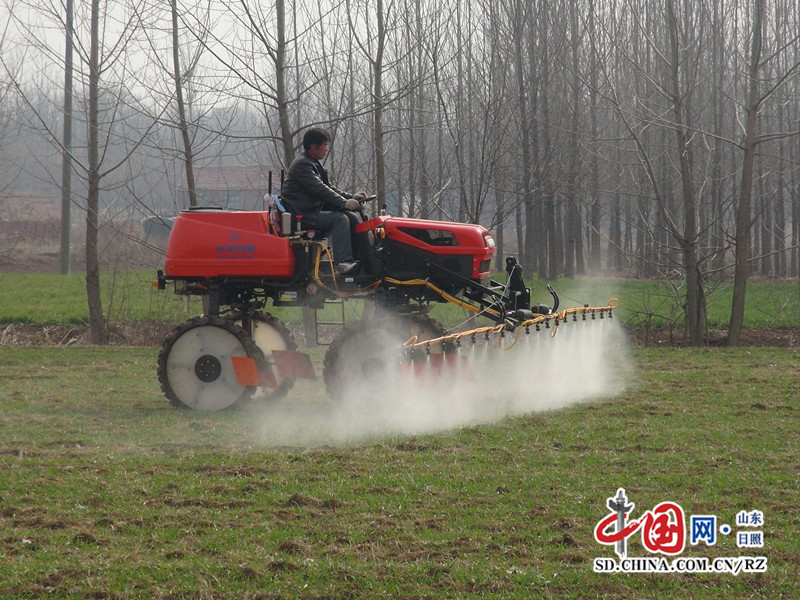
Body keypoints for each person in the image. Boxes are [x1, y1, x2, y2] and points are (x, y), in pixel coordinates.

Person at [281, 127, 366, 275]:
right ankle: (343, 263)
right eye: (324, 145)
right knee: (339, 220)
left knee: (352, 217)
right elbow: (320, 189)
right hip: (302, 214)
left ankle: (359, 261)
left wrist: (350, 197)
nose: (326, 149)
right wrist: (343, 203)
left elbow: (328, 187)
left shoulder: (312, 163)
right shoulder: (302, 165)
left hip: (311, 211)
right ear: (313, 147)